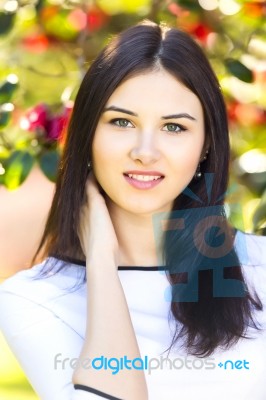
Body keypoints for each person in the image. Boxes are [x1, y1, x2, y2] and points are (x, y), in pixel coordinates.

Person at [0, 20, 266, 400]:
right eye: (122, 122)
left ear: (206, 144)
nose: (145, 151)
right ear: (88, 134)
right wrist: (101, 262)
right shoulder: (34, 299)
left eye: (174, 128)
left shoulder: (261, 269)